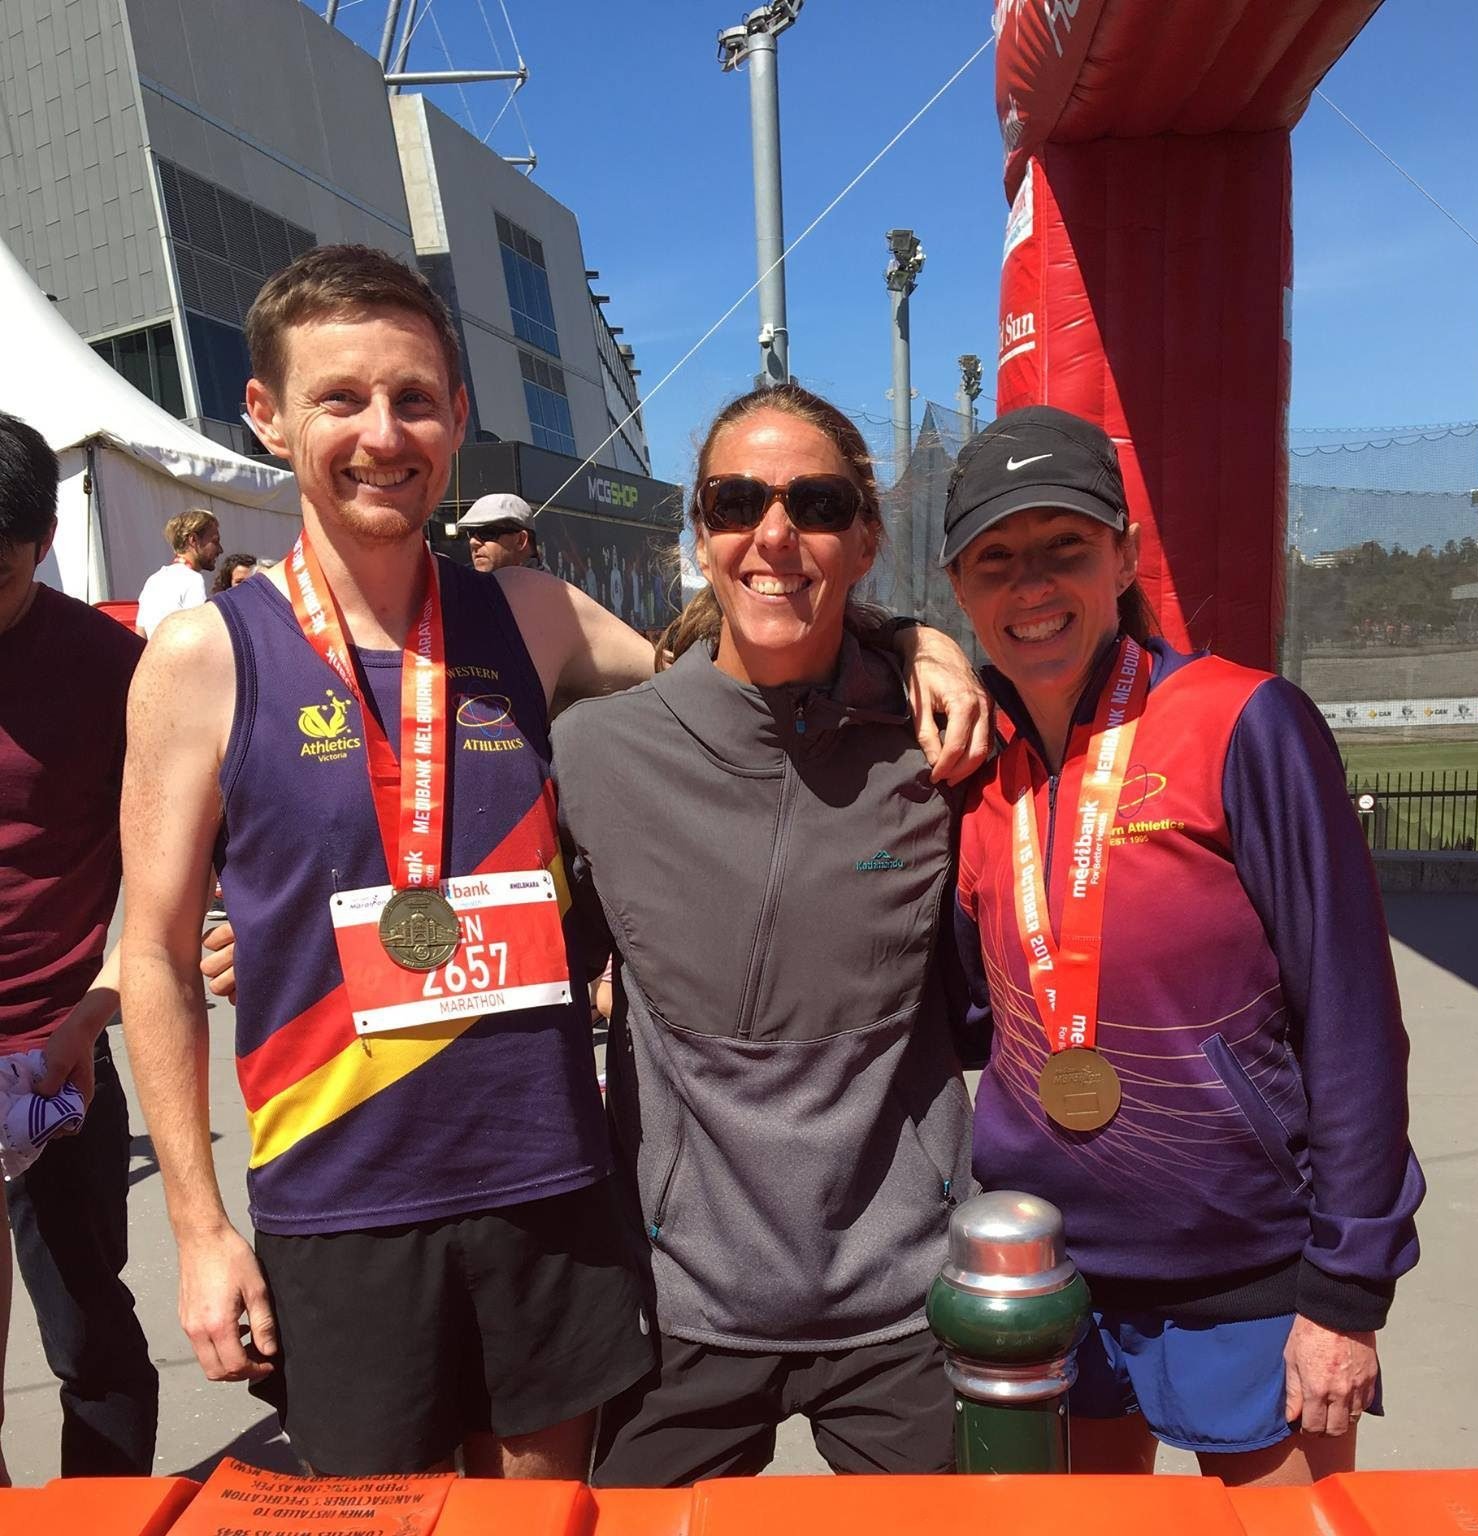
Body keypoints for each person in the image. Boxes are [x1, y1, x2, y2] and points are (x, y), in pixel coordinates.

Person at [122, 247, 983, 1481]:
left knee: (545, 1522)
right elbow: (148, 952)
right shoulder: (205, 659)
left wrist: (912, 642)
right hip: (345, 1197)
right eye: (340, 398)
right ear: (265, 413)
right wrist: (197, 1225)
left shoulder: (524, 613)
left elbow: (738, 654)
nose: (383, 434)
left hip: (551, 1193)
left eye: (414, 399)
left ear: (458, 418)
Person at [941, 406, 1425, 1487]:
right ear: (958, 591)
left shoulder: (1246, 722)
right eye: (995, 560)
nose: (1031, 588)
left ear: (1123, 554)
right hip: (1054, 1279)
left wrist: (1346, 1293)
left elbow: (1352, 1023)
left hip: (1251, 1278)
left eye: (1064, 547)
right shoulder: (973, 775)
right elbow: (969, 1014)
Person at [554, 384, 985, 1487]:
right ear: (701, 531)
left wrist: (923, 643)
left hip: (904, 1305)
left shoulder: (939, 749)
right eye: (738, 499)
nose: (775, 533)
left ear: (868, 535)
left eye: (820, 502)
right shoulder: (598, 756)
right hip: (678, 1301)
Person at [0, 410, 159, 1477]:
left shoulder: (115, 666)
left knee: (88, 1328)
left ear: (47, 537)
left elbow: (170, 871)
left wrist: (100, 1006)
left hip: (50, 1051)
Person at [134, 508, 221, 636]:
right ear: (193, 540)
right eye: (215, 541)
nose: (220, 549)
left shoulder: (154, 580)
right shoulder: (193, 580)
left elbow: (140, 636)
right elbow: (200, 636)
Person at [457, 493, 544, 572]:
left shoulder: (548, 588)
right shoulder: (462, 583)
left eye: (487, 533)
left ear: (520, 540)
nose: (473, 542)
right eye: (471, 533)